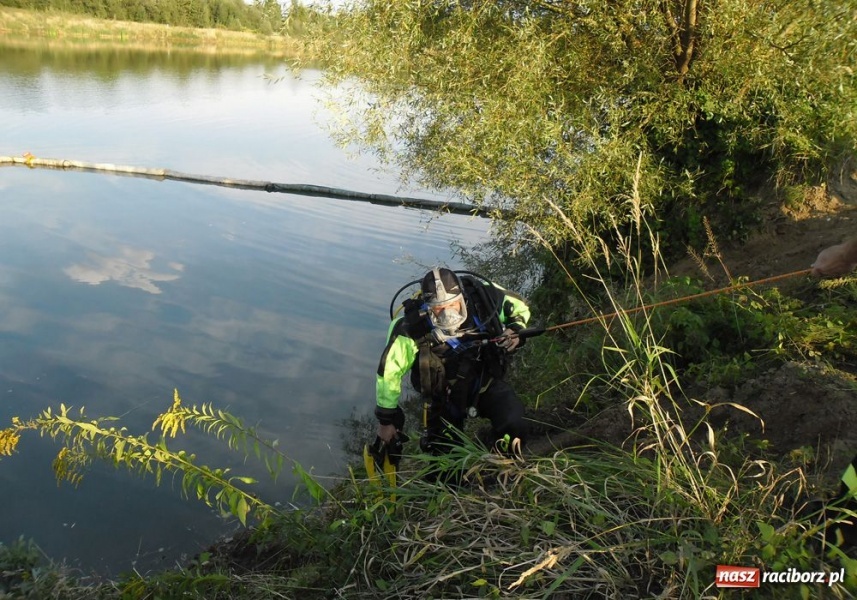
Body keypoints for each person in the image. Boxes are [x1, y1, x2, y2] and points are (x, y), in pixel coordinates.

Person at [374, 267, 531, 459]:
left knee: (516, 424)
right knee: (445, 465)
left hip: (483, 385)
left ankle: (499, 459)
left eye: (453, 305)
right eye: (438, 308)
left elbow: (518, 304)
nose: (447, 313)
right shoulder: (411, 329)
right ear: (427, 306)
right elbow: (389, 374)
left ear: (462, 298)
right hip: (442, 400)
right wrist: (386, 421)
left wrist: (515, 329)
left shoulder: (482, 298)